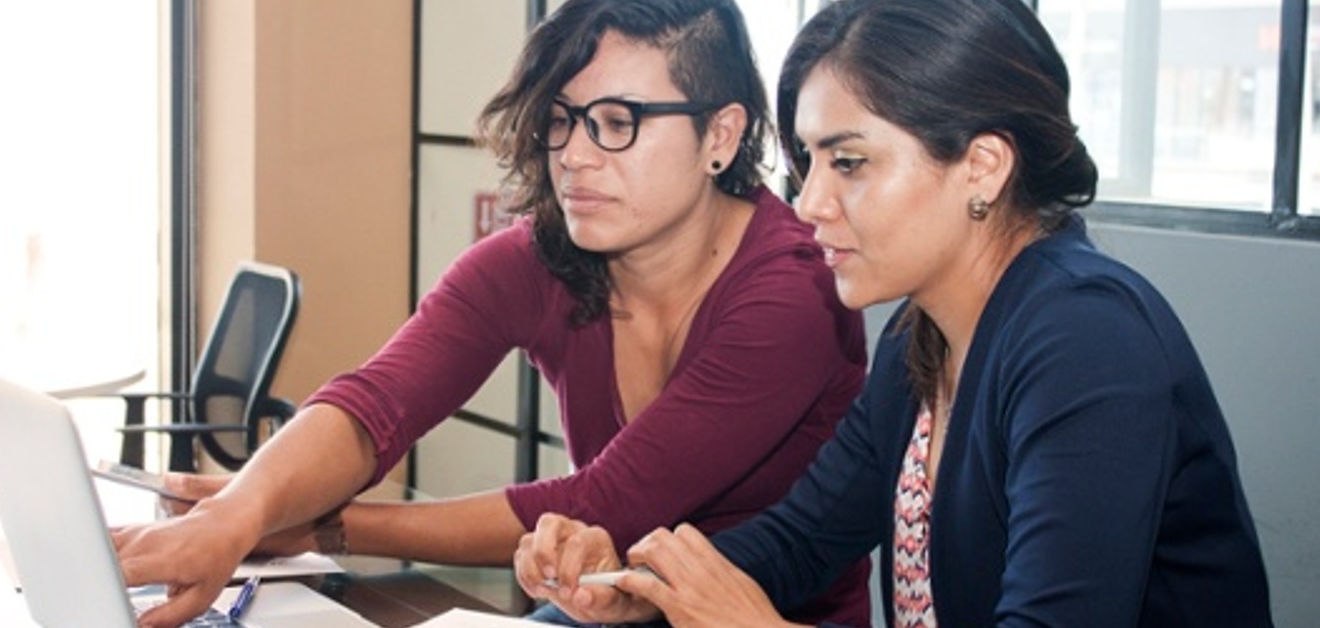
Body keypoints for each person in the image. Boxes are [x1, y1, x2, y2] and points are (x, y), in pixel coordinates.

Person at [513, 0, 1276, 626]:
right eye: (806, 163)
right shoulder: (925, 335)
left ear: (981, 165)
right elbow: (801, 539)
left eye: (849, 164)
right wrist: (633, 587)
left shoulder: (1085, 339)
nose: (808, 202)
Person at [113, 1, 874, 627]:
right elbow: (376, 400)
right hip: (611, 602)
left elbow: (604, 501)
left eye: (618, 121)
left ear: (722, 135)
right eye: (563, 119)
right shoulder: (540, 257)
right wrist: (238, 512)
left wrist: (317, 525)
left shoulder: (793, 291)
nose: (574, 154)